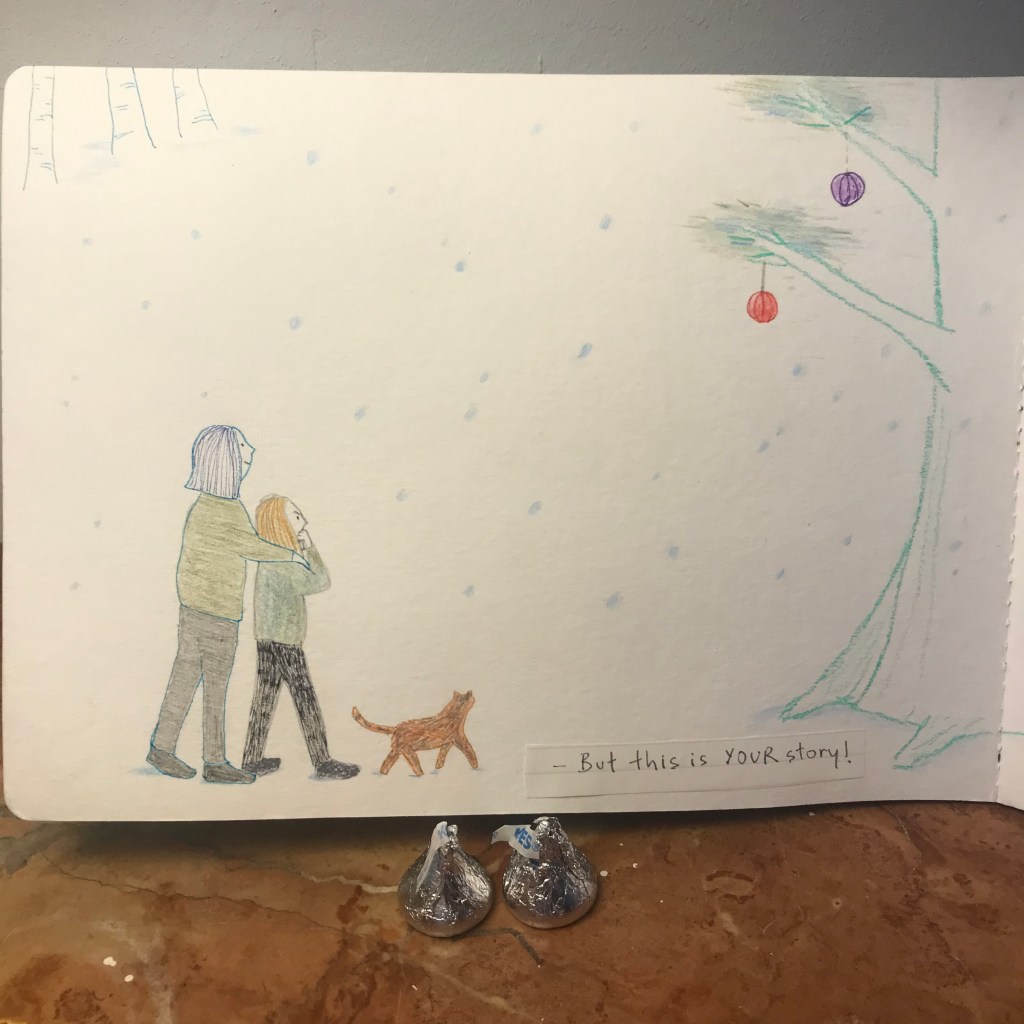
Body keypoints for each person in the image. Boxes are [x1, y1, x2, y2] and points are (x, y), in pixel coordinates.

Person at [148, 426, 307, 784]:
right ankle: (214, 762)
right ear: (226, 461)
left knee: (184, 679)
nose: (250, 452)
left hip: (194, 611)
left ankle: (162, 747)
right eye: (242, 448)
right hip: (218, 616)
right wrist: (291, 554)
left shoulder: (203, 508)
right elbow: (249, 545)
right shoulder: (225, 510)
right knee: (214, 688)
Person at [241, 494, 360, 781]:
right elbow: (320, 580)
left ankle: (252, 759)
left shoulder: (271, 557)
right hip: (285, 643)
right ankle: (323, 762)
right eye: (296, 516)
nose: (303, 521)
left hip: (267, 640)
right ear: (280, 522)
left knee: (264, 698)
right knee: (304, 698)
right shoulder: (284, 559)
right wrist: (310, 548)